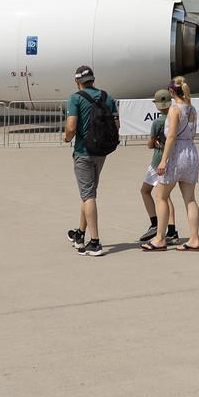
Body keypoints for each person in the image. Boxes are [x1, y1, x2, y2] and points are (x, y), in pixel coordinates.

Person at [61, 65, 117, 257]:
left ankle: (95, 242)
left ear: (77, 81)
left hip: (83, 152)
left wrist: (67, 138)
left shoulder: (75, 99)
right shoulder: (107, 97)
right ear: (93, 79)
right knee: (88, 193)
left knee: (89, 196)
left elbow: (70, 126)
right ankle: (80, 233)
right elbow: (116, 124)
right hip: (101, 152)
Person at [157, 77, 199, 249]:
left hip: (177, 153)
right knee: (190, 199)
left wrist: (163, 160)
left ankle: (160, 238)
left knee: (161, 196)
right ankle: (194, 239)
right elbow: (193, 132)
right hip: (191, 151)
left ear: (171, 92)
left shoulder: (174, 109)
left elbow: (171, 136)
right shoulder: (192, 109)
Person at [137, 90, 179, 250]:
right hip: (171, 160)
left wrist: (154, 143)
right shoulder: (175, 117)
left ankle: (154, 223)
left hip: (157, 162)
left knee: (146, 191)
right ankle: (172, 230)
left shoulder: (158, 122)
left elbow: (150, 144)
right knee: (166, 196)